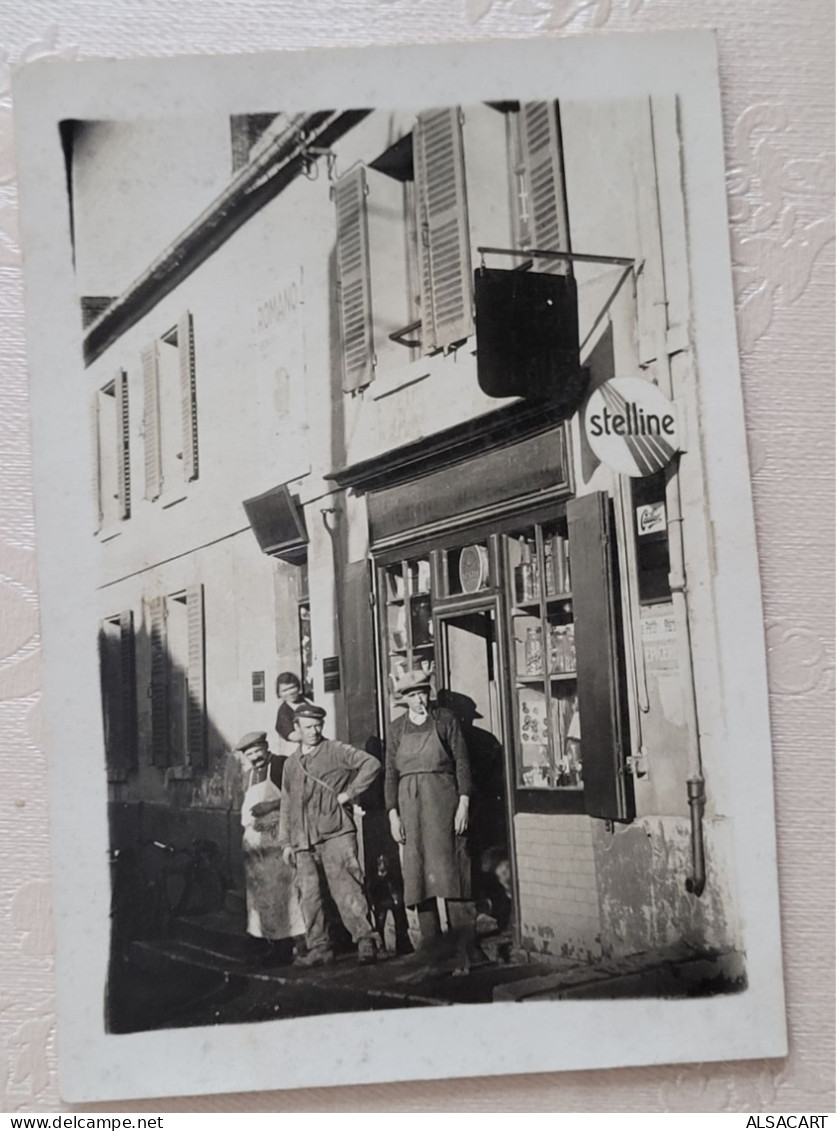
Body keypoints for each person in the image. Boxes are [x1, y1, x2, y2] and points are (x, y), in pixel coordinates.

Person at [385, 670, 483, 969]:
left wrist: (464, 802)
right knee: (418, 878)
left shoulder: (445, 720)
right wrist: (392, 813)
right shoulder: (396, 729)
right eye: (412, 695)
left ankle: (467, 951)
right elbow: (390, 772)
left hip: (443, 801)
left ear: (429, 693)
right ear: (403, 699)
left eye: (422, 693)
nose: (419, 700)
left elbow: (463, 762)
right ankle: (434, 955)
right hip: (410, 807)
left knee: (452, 873)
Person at [278, 703, 381, 967]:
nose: (314, 731)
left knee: (347, 888)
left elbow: (371, 764)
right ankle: (320, 948)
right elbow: (287, 803)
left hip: (335, 832)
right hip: (302, 839)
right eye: (308, 726)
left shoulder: (335, 750)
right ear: (297, 728)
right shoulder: (291, 764)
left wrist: (349, 793)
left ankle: (366, 941)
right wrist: (286, 842)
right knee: (309, 897)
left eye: (318, 725)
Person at [235, 731, 305, 964]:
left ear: (266, 747)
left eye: (257, 751)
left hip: (278, 842)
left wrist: (270, 805)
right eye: (249, 753)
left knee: (287, 896)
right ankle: (272, 945)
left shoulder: (281, 765)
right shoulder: (248, 775)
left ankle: (295, 947)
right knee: (262, 899)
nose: (255, 757)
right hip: (256, 850)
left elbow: (299, 796)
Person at [274, 671, 310, 752]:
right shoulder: (284, 711)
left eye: (292, 687)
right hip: (296, 751)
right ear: (279, 693)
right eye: (285, 690)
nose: (290, 692)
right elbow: (294, 736)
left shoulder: (308, 701)